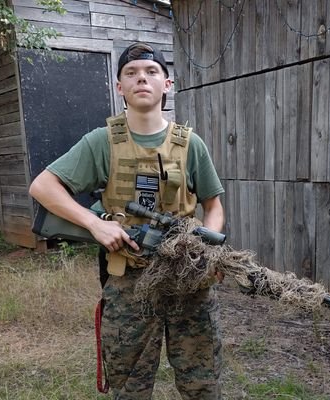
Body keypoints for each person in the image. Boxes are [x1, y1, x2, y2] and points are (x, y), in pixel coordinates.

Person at [29, 42, 225, 400]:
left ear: (167, 84)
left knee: (203, 383)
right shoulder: (102, 142)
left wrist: (206, 246)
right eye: (131, 74)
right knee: (129, 386)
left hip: (187, 279)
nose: (142, 79)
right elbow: (43, 186)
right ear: (119, 87)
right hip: (129, 282)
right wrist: (95, 223)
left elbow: (213, 205)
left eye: (152, 72)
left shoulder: (189, 143)